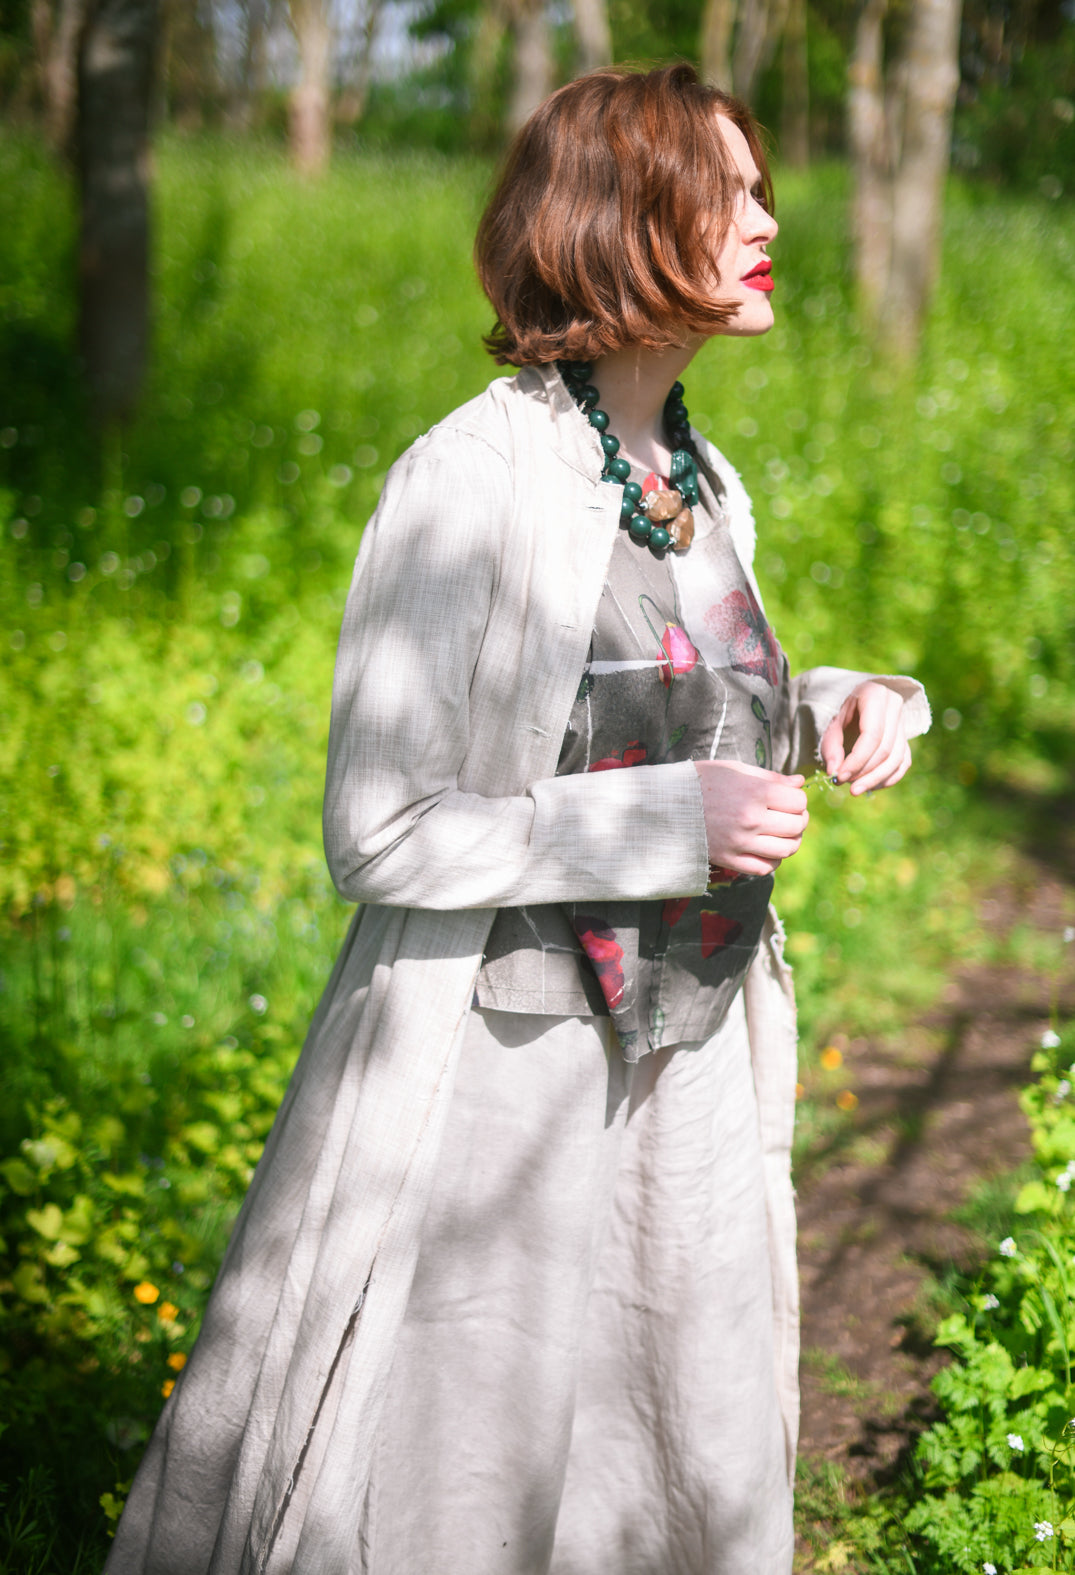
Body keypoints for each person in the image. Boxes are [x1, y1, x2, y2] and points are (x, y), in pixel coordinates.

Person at [107, 63, 930, 1575]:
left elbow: (652, 687)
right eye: (731, 191)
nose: (766, 221)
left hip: (690, 1043)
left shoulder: (694, 473)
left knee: (664, 1444)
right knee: (467, 1475)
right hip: (508, 1067)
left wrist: (835, 703)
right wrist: (665, 822)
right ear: (628, 220)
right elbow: (385, 827)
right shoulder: (469, 483)